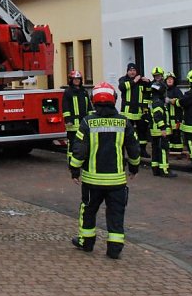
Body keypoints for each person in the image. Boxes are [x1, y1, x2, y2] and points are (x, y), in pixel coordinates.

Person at [69, 82, 140, 259]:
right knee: (116, 213)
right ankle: (114, 249)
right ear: (113, 100)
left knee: (88, 211)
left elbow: (79, 150)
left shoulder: (87, 122)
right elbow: (134, 148)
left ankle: (86, 242)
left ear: (94, 101)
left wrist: (74, 170)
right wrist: (134, 167)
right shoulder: (124, 122)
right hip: (116, 181)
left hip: (92, 181)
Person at [147, 67, 176, 177]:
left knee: (155, 149)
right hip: (160, 130)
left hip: (154, 129)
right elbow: (158, 116)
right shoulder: (158, 102)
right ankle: (164, 170)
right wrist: (163, 128)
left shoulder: (154, 99)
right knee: (163, 149)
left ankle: (155, 169)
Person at [118, 62, 150, 159]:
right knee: (126, 133)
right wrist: (134, 81)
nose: (132, 72)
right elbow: (122, 87)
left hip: (139, 111)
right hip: (127, 112)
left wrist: (149, 82)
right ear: (127, 71)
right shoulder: (123, 79)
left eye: (134, 70)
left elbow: (148, 93)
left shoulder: (141, 81)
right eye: (130, 70)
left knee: (142, 132)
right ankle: (126, 153)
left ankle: (142, 150)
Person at [62, 70, 93, 166]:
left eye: (78, 79)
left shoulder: (84, 91)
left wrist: (91, 118)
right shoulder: (68, 92)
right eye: (75, 79)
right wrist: (68, 120)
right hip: (73, 124)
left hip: (84, 123)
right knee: (72, 144)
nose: (77, 81)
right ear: (71, 80)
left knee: (85, 143)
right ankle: (71, 162)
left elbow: (89, 106)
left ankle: (83, 161)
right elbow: (65, 107)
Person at [165, 72, 185, 154]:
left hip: (176, 117)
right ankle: (171, 151)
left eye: (171, 79)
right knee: (169, 135)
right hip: (167, 117)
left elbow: (181, 102)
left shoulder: (177, 90)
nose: (169, 80)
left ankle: (178, 151)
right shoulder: (164, 90)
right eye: (168, 79)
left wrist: (170, 101)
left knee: (176, 134)